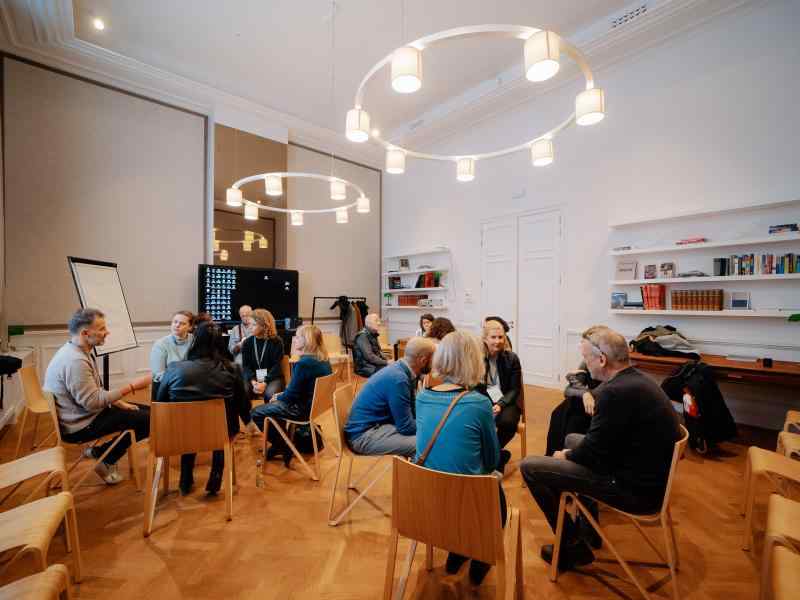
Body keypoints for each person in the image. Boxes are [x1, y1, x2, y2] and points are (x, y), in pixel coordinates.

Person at [520, 325, 681, 571]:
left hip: (634, 491)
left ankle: (572, 546)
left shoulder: (614, 393)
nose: (585, 364)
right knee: (572, 438)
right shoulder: (636, 380)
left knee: (530, 467)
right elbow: (600, 444)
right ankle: (587, 525)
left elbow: (592, 454)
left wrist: (566, 456)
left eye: (586, 358)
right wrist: (571, 451)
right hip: (646, 475)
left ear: (602, 359)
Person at [415, 330, 504, 586]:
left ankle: (459, 550)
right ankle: (480, 555)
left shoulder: (422, 397)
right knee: (494, 487)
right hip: (468, 507)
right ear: (475, 361)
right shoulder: (478, 403)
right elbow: (491, 461)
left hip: (424, 503)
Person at [44, 308, 151, 485]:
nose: (106, 332)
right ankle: (106, 458)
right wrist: (132, 386)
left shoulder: (76, 351)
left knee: (148, 413)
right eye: (101, 329)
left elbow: (94, 392)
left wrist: (118, 402)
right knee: (149, 419)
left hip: (83, 416)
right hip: (81, 426)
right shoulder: (75, 361)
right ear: (85, 333)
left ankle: (101, 452)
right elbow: (92, 402)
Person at [156, 321, 251, 495]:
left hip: (180, 432)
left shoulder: (174, 368)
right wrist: (249, 423)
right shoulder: (233, 369)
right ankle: (215, 478)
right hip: (221, 432)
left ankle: (185, 480)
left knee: (189, 425)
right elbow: (242, 403)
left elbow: (160, 402)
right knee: (222, 425)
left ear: (195, 341)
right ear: (221, 343)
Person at [251, 324, 332, 465]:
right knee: (274, 404)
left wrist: (279, 396)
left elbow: (291, 396)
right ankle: (281, 444)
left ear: (307, 341)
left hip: (300, 410)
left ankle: (283, 445)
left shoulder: (303, 364)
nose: (295, 340)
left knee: (256, 413)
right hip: (313, 407)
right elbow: (299, 390)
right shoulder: (323, 360)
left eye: (299, 337)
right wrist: (282, 395)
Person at [345, 337, 436, 459]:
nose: (435, 363)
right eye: (433, 359)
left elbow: (411, 412)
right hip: (362, 436)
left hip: (377, 427)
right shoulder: (398, 379)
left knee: (428, 438)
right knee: (426, 445)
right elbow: (406, 427)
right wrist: (432, 426)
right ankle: (414, 477)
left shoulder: (402, 370)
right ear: (423, 360)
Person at [482, 319, 523, 473]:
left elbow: (514, 389)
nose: (498, 341)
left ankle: (493, 455)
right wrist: (487, 404)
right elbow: (474, 386)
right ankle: (498, 457)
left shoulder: (512, 358)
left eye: (501, 337)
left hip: (506, 400)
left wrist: (501, 404)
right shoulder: (477, 357)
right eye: (493, 337)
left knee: (508, 423)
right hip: (483, 399)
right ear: (485, 338)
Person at [241, 309, 285, 401]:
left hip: (272, 378)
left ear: (264, 325)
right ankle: (249, 415)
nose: (250, 327)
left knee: (270, 394)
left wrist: (264, 383)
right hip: (253, 379)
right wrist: (253, 382)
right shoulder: (247, 343)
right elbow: (246, 366)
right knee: (243, 392)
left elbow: (276, 367)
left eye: (254, 324)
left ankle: (268, 415)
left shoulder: (276, 342)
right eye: (249, 324)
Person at [149, 311, 194, 384]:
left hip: (193, 384)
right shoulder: (160, 344)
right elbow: (158, 375)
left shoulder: (194, 340)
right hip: (170, 385)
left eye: (182, 323)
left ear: (190, 327)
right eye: (175, 322)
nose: (177, 325)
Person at [353, 313, 388, 377]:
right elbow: (370, 357)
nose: (379, 323)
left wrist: (386, 359)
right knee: (390, 372)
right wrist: (386, 362)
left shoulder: (373, 333)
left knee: (394, 369)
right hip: (365, 368)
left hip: (373, 365)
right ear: (369, 323)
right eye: (376, 321)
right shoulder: (362, 336)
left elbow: (378, 351)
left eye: (379, 321)